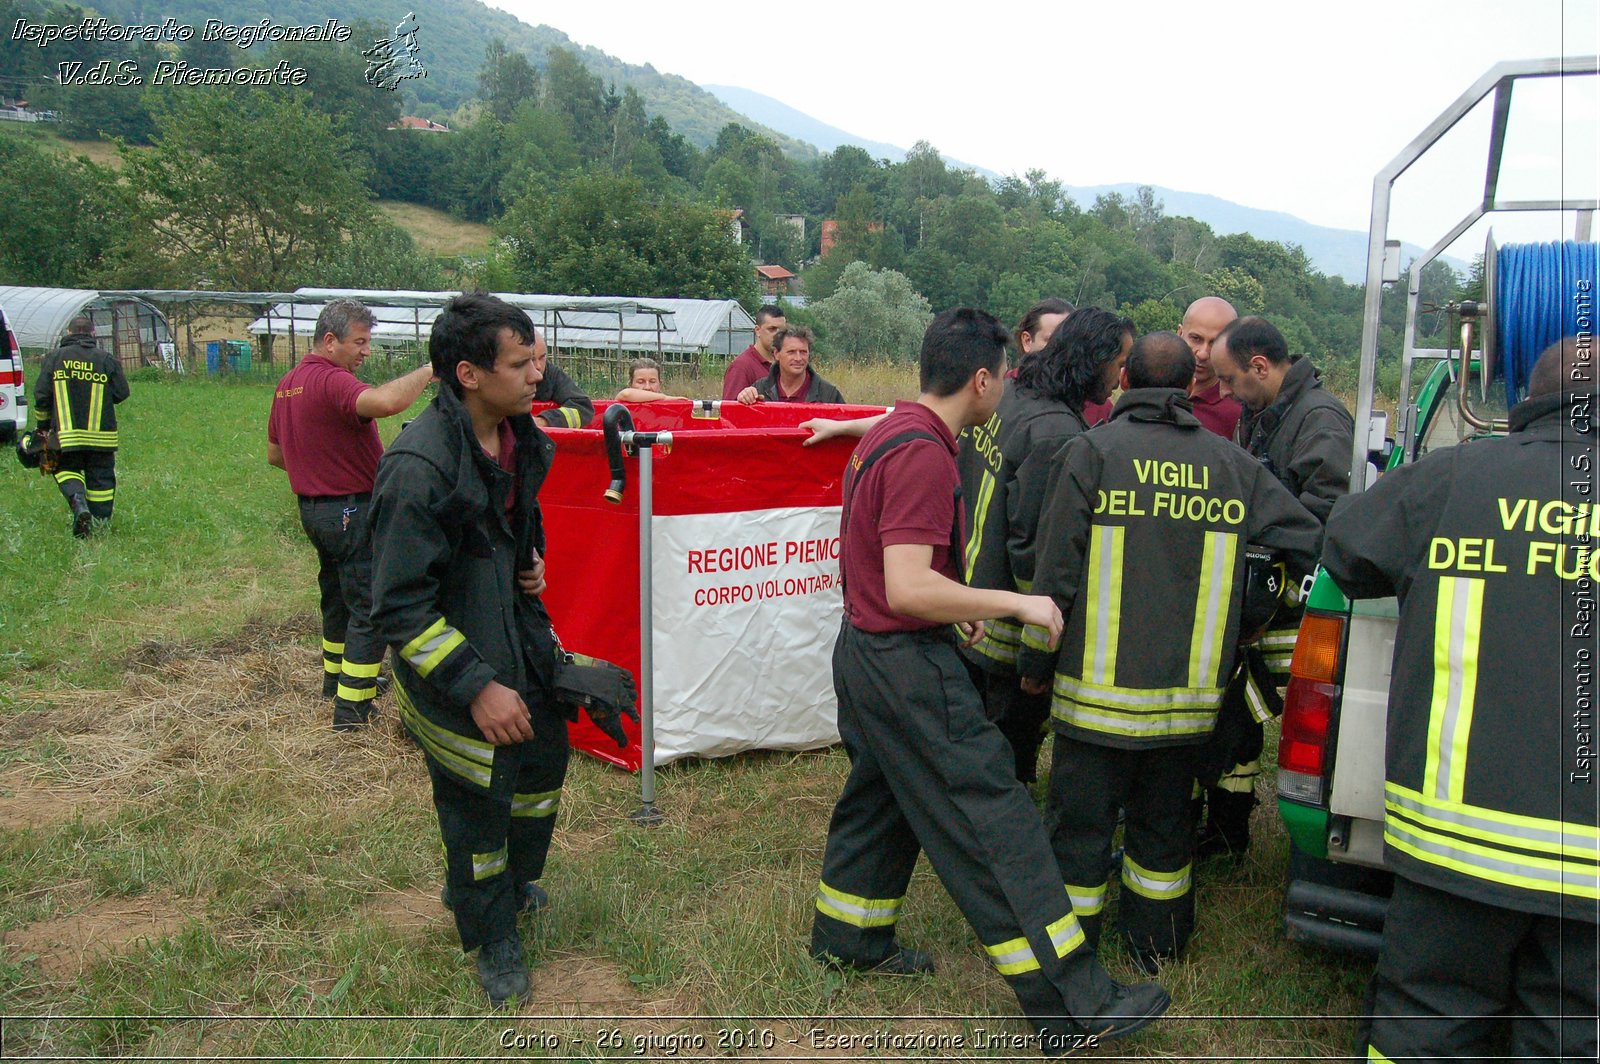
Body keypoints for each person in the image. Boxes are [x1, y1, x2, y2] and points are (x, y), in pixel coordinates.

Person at [810, 307, 1170, 1054]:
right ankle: (1076, 1004)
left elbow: (893, 570)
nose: (1006, 387)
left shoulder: (891, 430)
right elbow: (907, 588)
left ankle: (850, 938)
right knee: (994, 820)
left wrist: (955, 605)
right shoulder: (925, 454)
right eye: (1003, 374)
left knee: (883, 796)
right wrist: (1015, 600)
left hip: (868, 657)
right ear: (982, 378)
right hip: (906, 665)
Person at [1321, 337, 1597, 1062]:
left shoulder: (1455, 476)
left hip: (1456, 844)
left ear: (1524, 406)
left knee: (1427, 1020)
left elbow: (1348, 551)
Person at [1018, 331, 1322, 971]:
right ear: (1191, 387)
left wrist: (1033, 668)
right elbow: (1307, 534)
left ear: (1125, 380)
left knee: (1080, 830)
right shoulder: (1231, 465)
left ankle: (1072, 953)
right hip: (1186, 707)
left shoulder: (1090, 453)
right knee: (1164, 827)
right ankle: (1158, 945)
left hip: (1092, 705)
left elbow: (1055, 575)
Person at [365, 293, 567, 1008]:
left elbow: (510, 525)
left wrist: (528, 560)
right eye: (520, 364)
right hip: (452, 663)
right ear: (469, 374)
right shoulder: (418, 465)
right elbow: (398, 606)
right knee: (479, 799)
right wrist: (477, 686)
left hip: (515, 631)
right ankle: (489, 934)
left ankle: (510, 887)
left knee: (543, 763)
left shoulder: (518, 437)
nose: (536, 375)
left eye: (535, 359)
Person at [1196, 316, 1354, 857]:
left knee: (1271, 721)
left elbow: (1326, 516)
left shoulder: (1320, 420)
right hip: (1261, 605)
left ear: (1259, 366)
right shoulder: (1264, 413)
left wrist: (1261, 544)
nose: (1222, 391)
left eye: (1228, 379)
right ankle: (1226, 830)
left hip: (1295, 610)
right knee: (1232, 718)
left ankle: (1255, 834)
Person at [964, 308, 1133, 784]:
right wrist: (1041, 647)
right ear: (1092, 359)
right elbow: (1035, 548)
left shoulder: (1011, 394)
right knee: (1005, 753)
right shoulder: (1056, 432)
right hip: (1007, 634)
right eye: (1119, 362)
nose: (1121, 379)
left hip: (971, 601)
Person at [267, 299, 434, 731]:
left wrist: (316, 470)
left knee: (337, 596)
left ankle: (335, 680)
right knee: (369, 606)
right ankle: (352, 709)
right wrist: (433, 367)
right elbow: (383, 402)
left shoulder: (289, 383)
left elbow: (274, 454)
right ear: (330, 340)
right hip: (349, 509)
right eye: (359, 342)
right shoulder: (330, 379)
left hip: (315, 511)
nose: (366, 352)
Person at [32, 316, 130, 539]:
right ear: (93, 334)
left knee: (64, 469)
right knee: (101, 480)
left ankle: (79, 504)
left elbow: (41, 396)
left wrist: (42, 427)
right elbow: (122, 393)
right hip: (101, 437)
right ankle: (100, 523)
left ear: (68, 333)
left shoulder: (55, 358)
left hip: (66, 437)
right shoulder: (105, 359)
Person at [1176, 296, 1241, 439]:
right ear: (1180, 333)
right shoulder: (1154, 392)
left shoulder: (1236, 412)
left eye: (1214, 343)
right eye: (1196, 339)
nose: (1203, 354)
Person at [736, 325, 845, 404]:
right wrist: (743, 399)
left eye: (803, 352)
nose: (798, 358)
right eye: (791, 352)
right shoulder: (759, 390)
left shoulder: (828, 394)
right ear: (776, 354)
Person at [529, 332, 594, 428]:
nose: (538, 366)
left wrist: (544, 421)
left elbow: (583, 408)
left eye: (542, 357)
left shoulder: (552, 375)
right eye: (531, 359)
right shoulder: (502, 378)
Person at [721, 304, 786, 400]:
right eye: (772, 329)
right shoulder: (742, 366)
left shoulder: (784, 363)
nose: (778, 335)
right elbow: (729, 410)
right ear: (758, 330)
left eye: (782, 330)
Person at [613, 357, 687, 403]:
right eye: (640, 382)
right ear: (630, 384)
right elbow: (626, 394)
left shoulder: (668, 408)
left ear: (660, 383)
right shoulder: (621, 403)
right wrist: (664, 397)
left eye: (652, 381)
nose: (647, 387)